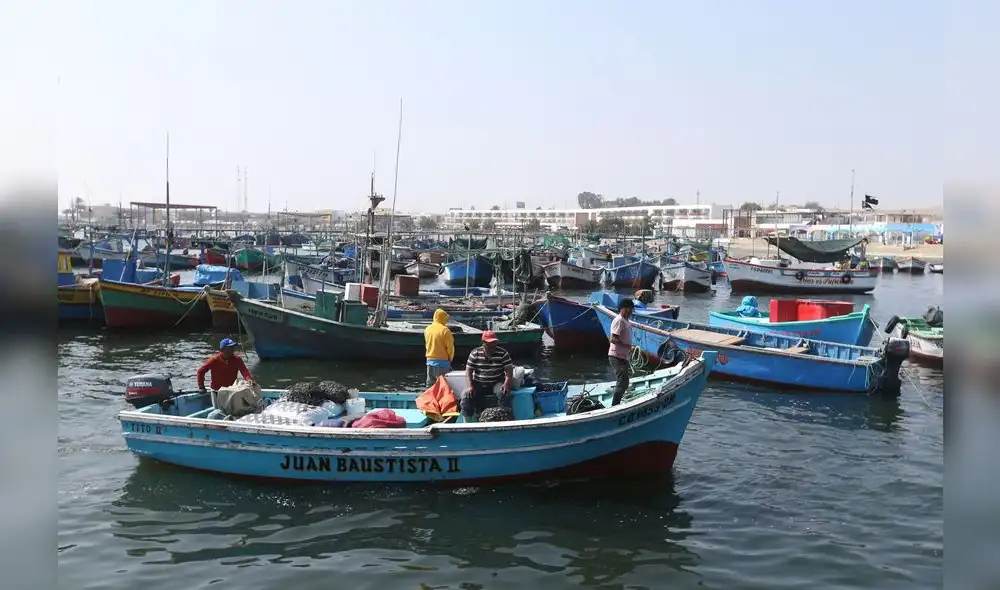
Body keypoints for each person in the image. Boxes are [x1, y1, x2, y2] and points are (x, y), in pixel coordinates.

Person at [462, 331, 513, 421]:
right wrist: (470, 386)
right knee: (467, 396)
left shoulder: (503, 353)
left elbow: (509, 370)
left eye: (494, 342)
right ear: (484, 343)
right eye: (490, 343)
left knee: (504, 393)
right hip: (479, 383)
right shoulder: (475, 353)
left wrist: (506, 383)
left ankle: (505, 418)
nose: (493, 345)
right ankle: (468, 421)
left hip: (497, 382)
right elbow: (469, 370)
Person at [608, 298, 634, 406]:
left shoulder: (626, 321)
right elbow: (613, 339)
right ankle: (615, 405)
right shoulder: (619, 320)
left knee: (625, 382)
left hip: (623, 356)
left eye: (631, 309)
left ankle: (617, 401)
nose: (629, 311)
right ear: (621, 309)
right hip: (616, 356)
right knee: (622, 380)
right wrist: (628, 346)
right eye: (627, 308)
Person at [424, 308, 456, 386]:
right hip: (442, 363)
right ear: (443, 318)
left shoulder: (427, 329)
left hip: (429, 362)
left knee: (430, 387)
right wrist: (450, 359)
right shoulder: (445, 331)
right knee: (443, 387)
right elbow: (450, 348)